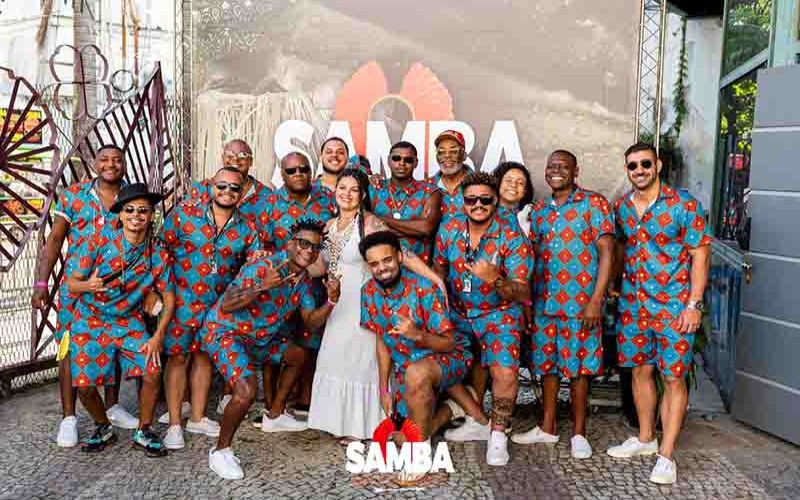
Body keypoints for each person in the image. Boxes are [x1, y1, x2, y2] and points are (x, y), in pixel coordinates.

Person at [306, 169, 448, 443]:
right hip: (337, 303)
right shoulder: (329, 226)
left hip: (365, 302)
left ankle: (366, 427)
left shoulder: (369, 223)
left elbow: (401, 255)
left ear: (362, 195)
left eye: (354, 189)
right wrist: (292, 263)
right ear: (335, 192)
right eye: (342, 187)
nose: (346, 193)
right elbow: (320, 266)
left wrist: (434, 279)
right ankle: (341, 423)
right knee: (336, 360)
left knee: (363, 363)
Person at [606, 142, 712, 485]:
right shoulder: (622, 208)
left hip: (674, 308)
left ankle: (666, 456)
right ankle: (645, 438)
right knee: (640, 372)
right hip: (634, 308)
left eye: (645, 164)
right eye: (633, 166)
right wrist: (615, 284)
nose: (639, 171)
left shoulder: (684, 204)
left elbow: (700, 254)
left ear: (658, 165)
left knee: (673, 378)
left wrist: (693, 304)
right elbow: (621, 246)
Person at [202, 219, 339, 480]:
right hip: (225, 332)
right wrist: (261, 286)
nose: (309, 251)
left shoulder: (304, 281)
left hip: (260, 340)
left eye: (315, 247)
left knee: (298, 355)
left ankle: (274, 416)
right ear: (290, 244)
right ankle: (220, 451)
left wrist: (332, 300)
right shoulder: (262, 266)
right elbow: (227, 306)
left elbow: (310, 320)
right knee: (246, 391)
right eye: (303, 243)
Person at [31, 144, 139, 448]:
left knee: (114, 344)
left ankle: (113, 406)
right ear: (94, 163)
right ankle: (69, 417)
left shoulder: (132, 197)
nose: (111, 165)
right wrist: (41, 285)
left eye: (117, 160)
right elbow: (54, 242)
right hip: (77, 290)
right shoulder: (73, 195)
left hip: (119, 290)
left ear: (124, 165)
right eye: (104, 159)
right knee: (69, 349)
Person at [511, 150, 615, 460]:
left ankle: (580, 433)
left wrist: (596, 300)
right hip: (544, 304)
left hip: (581, 305)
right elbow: (527, 261)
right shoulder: (539, 211)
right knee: (548, 367)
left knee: (579, 369)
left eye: (563, 166)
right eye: (552, 166)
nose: (557, 171)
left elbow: (608, 252)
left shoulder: (593, 204)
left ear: (576, 171)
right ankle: (547, 427)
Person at [360, 231, 485, 483]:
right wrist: (384, 389)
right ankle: (453, 408)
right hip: (409, 368)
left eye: (387, 260)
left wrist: (417, 334)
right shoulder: (368, 292)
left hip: (449, 356)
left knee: (417, 373)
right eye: (374, 264)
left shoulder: (424, 288)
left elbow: (449, 342)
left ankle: (420, 455)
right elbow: (382, 341)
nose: (381, 268)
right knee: (399, 438)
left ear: (398, 256)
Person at [65, 183, 175, 456]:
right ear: (121, 215)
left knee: (152, 370)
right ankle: (103, 426)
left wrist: (157, 336)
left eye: (143, 210)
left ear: (151, 216)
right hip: (90, 319)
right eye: (130, 210)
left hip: (128, 320)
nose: (136, 215)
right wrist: (88, 285)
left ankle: (144, 429)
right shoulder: (99, 241)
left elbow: (170, 298)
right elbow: (71, 285)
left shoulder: (157, 254)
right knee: (85, 387)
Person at [434, 172, 533, 466]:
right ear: (463, 202)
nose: (478, 204)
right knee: (433, 360)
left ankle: (499, 434)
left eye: (485, 200)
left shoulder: (512, 235)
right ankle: (478, 420)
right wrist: (437, 306)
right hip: (458, 311)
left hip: (498, 312)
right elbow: (439, 267)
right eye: (471, 199)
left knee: (505, 372)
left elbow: (523, 290)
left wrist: (496, 280)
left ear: (495, 200)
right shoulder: (450, 227)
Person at [156, 167, 259, 450]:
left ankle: (198, 417)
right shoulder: (184, 214)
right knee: (178, 359)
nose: (227, 192)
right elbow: (160, 249)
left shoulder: (247, 228)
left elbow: (253, 265)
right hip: (181, 302)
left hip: (218, 309)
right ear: (211, 187)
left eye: (234, 188)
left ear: (242, 192)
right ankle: (175, 424)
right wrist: (159, 293)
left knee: (204, 358)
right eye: (221, 186)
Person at [241, 152, 336, 424]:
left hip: (314, 283)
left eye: (303, 169)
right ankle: (271, 404)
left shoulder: (326, 199)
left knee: (310, 341)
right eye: (291, 170)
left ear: (311, 171)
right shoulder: (269, 204)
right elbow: (261, 246)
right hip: (279, 285)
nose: (298, 174)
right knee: (275, 340)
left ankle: (305, 401)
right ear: (282, 174)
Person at [188, 139, 273, 246]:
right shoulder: (201, 189)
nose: (235, 159)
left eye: (242, 155)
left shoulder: (267, 196)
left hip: (250, 258)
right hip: (202, 254)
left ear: (251, 161)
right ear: (222, 158)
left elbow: (272, 237)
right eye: (229, 155)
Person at [369, 141, 442, 264]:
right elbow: (364, 228)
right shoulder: (374, 188)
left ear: (416, 163)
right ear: (388, 160)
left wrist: (380, 220)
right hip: (380, 271)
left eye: (408, 160)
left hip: (419, 274)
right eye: (396, 158)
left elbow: (426, 228)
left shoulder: (429, 190)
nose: (401, 163)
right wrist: (413, 229)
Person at [430, 130, 473, 220]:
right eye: (441, 152)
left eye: (453, 151)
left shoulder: (480, 185)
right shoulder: (426, 187)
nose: (447, 156)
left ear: (464, 156)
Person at [493, 161, 534, 235]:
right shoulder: (485, 213)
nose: (514, 185)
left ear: (525, 190)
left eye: (520, 183)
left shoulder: (533, 215)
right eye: (509, 180)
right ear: (498, 183)